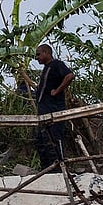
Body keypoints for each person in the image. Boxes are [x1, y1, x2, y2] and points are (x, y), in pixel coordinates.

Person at [33, 44, 74, 173]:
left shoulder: (56, 64)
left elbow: (69, 76)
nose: (37, 57)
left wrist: (57, 91)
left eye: (39, 54)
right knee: (42, 140)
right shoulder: (46, 68)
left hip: (54, 111)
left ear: (46, 52)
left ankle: (58, 169)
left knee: (55, 139)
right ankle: (46, 169)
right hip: (44, 112)